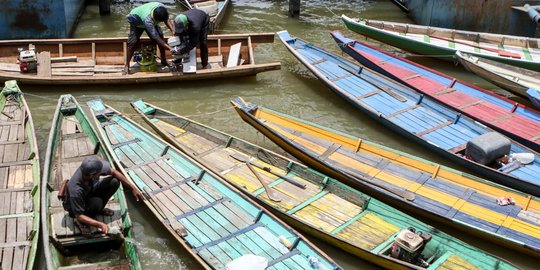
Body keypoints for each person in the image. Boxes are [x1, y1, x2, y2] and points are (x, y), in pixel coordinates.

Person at [62, 156, 144, 235]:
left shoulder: (90, 169)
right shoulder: (76, 188)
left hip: (89, 191)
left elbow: (114, 172)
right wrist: (100, 225)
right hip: (75, 209)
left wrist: (133, 188)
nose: (102, 172)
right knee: (96, 203)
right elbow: (79, 215)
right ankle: (80, 223)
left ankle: (98, 210)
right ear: (92, 175)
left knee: (114, 182)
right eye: (99, 172)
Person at [124, 2, 175, 74]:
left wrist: (173, 30)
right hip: (137, 23)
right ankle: (126, 66)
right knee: (132, 43)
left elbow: (166, 19)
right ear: (156, 20)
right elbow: (156, 38)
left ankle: (163, 60)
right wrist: (170, 48)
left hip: (148, 20)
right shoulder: (148, 20)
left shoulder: (161, 7)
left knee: (161, 36)